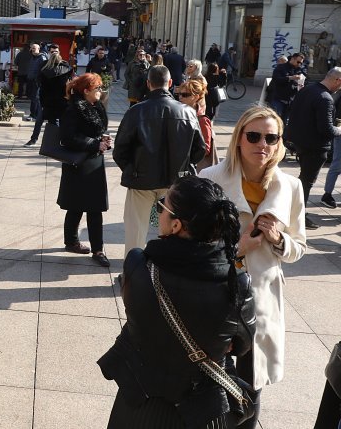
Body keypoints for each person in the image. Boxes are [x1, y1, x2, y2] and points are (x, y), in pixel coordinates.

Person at [98, 176, 255, 428]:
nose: (158, 211)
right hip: (202, 411)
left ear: (176, 226)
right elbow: (241, 346)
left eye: (162, 206)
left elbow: (140, 317)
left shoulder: (139, 265)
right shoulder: (237, 284)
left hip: (138, 399)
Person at [201, 106, 307, 427]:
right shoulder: (210, 180)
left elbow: (297, 248)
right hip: (215, 293)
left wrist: (278, 240)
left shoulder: (290, 187)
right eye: (254, 136)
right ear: (238, 140)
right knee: (209, 379)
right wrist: (237, 249)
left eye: (271, 137)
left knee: (251, 385)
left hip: (260, 299)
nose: (263, 144)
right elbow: (194, 245)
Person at [113, 65, 206, 255]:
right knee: (173, 229)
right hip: (175, 181)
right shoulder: (187, 112)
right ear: (170, 83)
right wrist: (184, 166)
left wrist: (132, 168)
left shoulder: (137, 111)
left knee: (136, 230)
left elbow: (120, 149)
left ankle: (133, 271)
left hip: (141, 179)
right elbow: (200, 150)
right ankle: (168, 272)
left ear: (148, 84)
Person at [58, 73, 112, 267]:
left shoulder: (95, 106)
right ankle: (72, 242)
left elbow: (96, 132)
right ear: (86, 91)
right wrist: (94, 144)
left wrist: (103, 142)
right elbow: (68, 138)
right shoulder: (74, 109)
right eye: (97, 88)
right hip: (78, 164)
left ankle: (97, 249)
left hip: (93, 163)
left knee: (94, 207)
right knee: (76, 206)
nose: (100, 91)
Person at [284, 67, 341, 230]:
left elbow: (293, 113)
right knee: (307, 182)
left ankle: (295, 212)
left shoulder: (308, 89)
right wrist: (340, 130)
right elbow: (326, 129)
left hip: (300, 142)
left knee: (304, 180)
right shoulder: (325, 98)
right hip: (315, 147)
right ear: (337, 80)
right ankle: (298, 216)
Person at [24, 44, 72, 147]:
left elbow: (39, 80)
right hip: (57, 99)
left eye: (56, 51)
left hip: (52, 99)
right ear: (49, 53)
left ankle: (51, 142)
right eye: (52, 52)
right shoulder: (53, 65)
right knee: (47, 120)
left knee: (51, 120)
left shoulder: (61, 65)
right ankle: (52, 142)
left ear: (59, 52)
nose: (54, 53)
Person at [178, 79, 216, 172]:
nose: (180, 98)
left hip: (196, 168)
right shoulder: (179, 114)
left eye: (185, 95)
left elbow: (206, 148)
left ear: (196, 97)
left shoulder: (202, 119)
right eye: (179, 94)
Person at [269, 52, 304, 123]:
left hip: (290, 102)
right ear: (293, 59)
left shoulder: (298, 69)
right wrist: (290, 78)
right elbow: (276, 79)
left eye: (301, 63)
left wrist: (301, 84)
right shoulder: (281, 67)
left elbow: (301, 82)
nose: (299, 64)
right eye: (298, 62)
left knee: (285, 123)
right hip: (279, 100)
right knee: (275, 121)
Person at [25, 43, 47, 122]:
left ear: (38, 49)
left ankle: (33, 115)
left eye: (34, 48)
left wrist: (39, 79)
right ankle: (36, 114)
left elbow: (44, 70)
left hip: (37, 82)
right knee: (33, 98)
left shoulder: (42, 58)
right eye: (31, 48)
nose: (32, 49)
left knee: (35, 98)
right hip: (31, 81)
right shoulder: (33, 57)